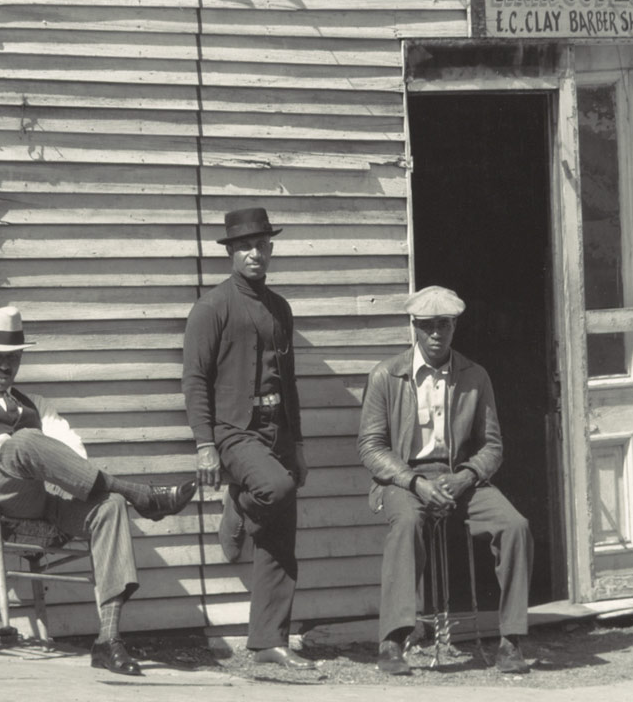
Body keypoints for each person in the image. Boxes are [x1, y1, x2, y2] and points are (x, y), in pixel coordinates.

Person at [0, 305, 195, 676]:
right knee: (23, 443)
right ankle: (144, 496)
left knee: (110, 505)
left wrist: (37, 455)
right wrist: (28, 450)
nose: (4, 367)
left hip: (39, 506)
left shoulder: (36, 405)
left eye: (12, 358)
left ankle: (108, 639)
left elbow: (76, 456)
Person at [357, 286, 534, 676]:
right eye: (428, 326)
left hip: (459, 480)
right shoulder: (387, 375)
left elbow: (492, 446)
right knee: (407, 523)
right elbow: (370, 447)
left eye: (445, 326)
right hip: (404, 482)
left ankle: (511, 640)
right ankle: (393, 641)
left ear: (455, 327)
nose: (437, 334)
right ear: (414, 327)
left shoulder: (474, 376)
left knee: (515, 525)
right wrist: (414, 482)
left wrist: (466, 476)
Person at [182, 207, 317, 672]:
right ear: (231, 253)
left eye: (261, 245)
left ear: (271, 250)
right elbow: (195, 380)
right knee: (274, 490)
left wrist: (296, 444)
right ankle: (239, 504)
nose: (254, 253)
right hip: (234, 431)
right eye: (244, 247)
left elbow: (291, 382)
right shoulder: (212, 307)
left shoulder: (281, 309)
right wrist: (204, 443)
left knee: (280, 537)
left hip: (276, 431)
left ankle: (267, 642)